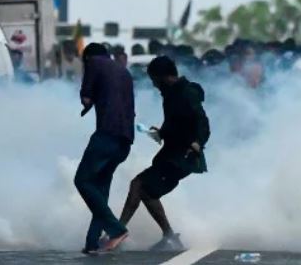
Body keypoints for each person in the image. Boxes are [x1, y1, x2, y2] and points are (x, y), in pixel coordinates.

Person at [118, 56, 210, 251]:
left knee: (138, 185)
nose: (154, 85)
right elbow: (178, 124)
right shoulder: (172, 94)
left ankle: (117, 231)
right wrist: (162, 132)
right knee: (146, 191)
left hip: (182, 157)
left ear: (164, 77)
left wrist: (198, 142)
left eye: (155, 80)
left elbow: (202, 122)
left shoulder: (186, 93)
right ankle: (168, 237)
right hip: (172, 155)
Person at [74, 43, 135, 254]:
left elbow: (86, 98)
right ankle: (92, 242)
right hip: (125, 140)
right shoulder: (124, 72)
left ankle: (116, 230)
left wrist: (88, 102)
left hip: (107, 134)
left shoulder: (94, 63)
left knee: (82, 181)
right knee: (100, 188)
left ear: (87, 57)